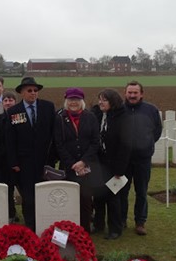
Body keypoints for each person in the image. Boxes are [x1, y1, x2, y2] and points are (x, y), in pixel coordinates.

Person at [5, 76, 56, 231]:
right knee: (28, 197)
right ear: (22, 92)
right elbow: (10, 138)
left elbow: (54, 134)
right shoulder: (14, 112)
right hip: (23, 162)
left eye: (35, 90)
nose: (33, 93)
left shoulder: (48, 107)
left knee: (44, 194)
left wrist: (52, 158)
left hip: (44, 161)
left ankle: (45, 222)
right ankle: (30, 225)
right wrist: (13, 162)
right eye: (29, 90)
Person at [52, 87, 101, 233]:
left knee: (85, 200)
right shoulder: (59, 118)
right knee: (68, 200)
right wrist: (72, 163)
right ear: (66, 101)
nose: (74, 102)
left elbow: (95, 141)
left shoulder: (90, 117)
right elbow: (58, 144)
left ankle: (84, 230)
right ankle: (68, 230)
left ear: (82, 101)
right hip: (69, 166)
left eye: (77, 100)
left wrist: (83, 161)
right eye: (71, 99)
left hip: (86, 166)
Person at [121, 80, 163, 236]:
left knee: (141, 191)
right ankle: (121, 219)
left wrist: (146, 145)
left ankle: (140, 222)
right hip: (123, 160)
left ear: (141, 94)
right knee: (121, 191)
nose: (132, 95)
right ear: (125, 93)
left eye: (135, 93)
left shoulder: (151, 110)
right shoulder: (119, 110)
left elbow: (157, 131)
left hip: (142, 159)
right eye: (129, 92)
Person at [91, 89, 131, 240]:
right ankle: (99, 224)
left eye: (104, 100)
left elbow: (125, 145)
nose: (100, 102)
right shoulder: (98, 114)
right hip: (99, 163)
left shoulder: (123, 118)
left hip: (115, 164)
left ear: (113, 102)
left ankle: (115, 228)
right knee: (98, 196)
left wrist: (120, 169)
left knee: (113, 198)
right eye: (99, 99)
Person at [0, 90, 20, 223]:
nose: (8, 102)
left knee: (25, 191)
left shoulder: (21, 118)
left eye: (11, 100)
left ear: (15, 102)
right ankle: (10, 214)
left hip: (21, 162)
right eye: (6, 100)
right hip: (4, 162)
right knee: (7, 190)